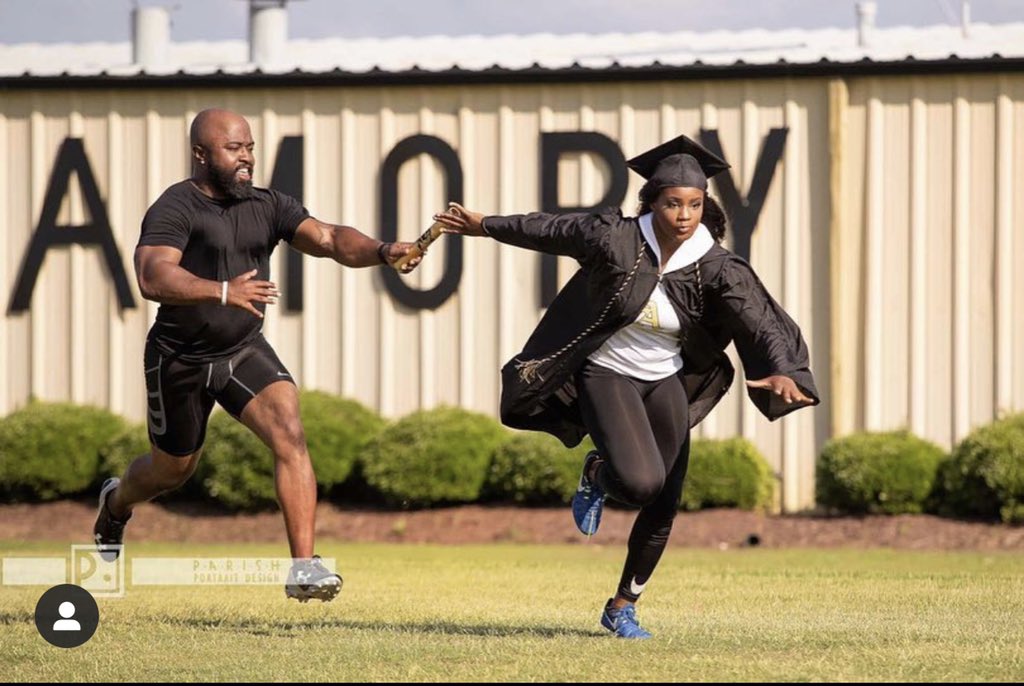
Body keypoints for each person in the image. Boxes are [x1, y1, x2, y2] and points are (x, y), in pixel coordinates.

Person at [433, 134, 819, 638]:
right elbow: (551, 228)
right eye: (673, 203)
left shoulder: (716, 266)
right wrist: (484, 225)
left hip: (664, 378)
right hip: (605, 371)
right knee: (639, 483)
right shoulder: (614, 238)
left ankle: (622, 606)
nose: (684, 214)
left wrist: (785, 369)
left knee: (665, 499)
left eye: (695, 204)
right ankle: (598, 469)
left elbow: (761, 321)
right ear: (652, 203)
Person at [94, 108, 422, 603]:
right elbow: (152, 277)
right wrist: (223, 290)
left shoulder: (268, 205)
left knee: (289, 431)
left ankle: (305, 567)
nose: (247, 157)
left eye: (249, 147)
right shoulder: (174, 207)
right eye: (234, 148)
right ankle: (116, 504)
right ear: (201, 154)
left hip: (241, 348)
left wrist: (381, 250)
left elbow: (330, 238)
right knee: (172, 471)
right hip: (178, 357)